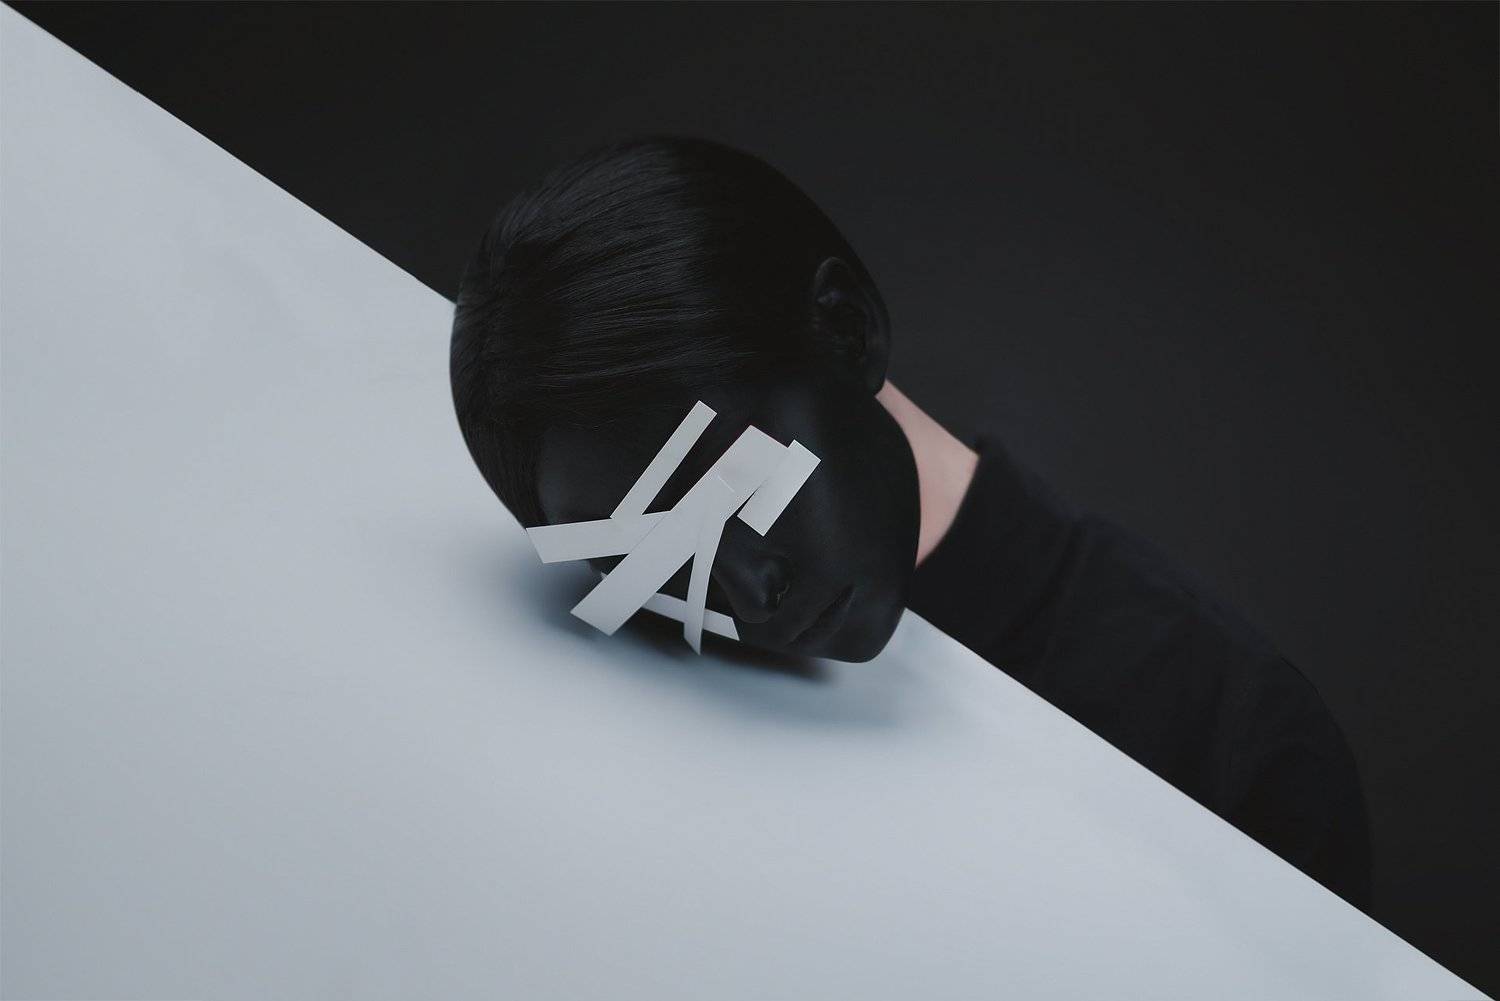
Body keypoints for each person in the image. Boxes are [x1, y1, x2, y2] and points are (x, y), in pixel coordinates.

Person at [448, 135, 1372, 908]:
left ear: (846, 329)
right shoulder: (641, 709)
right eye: (651, 563)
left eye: (730, 491)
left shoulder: (1236, 742)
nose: (745, 591)